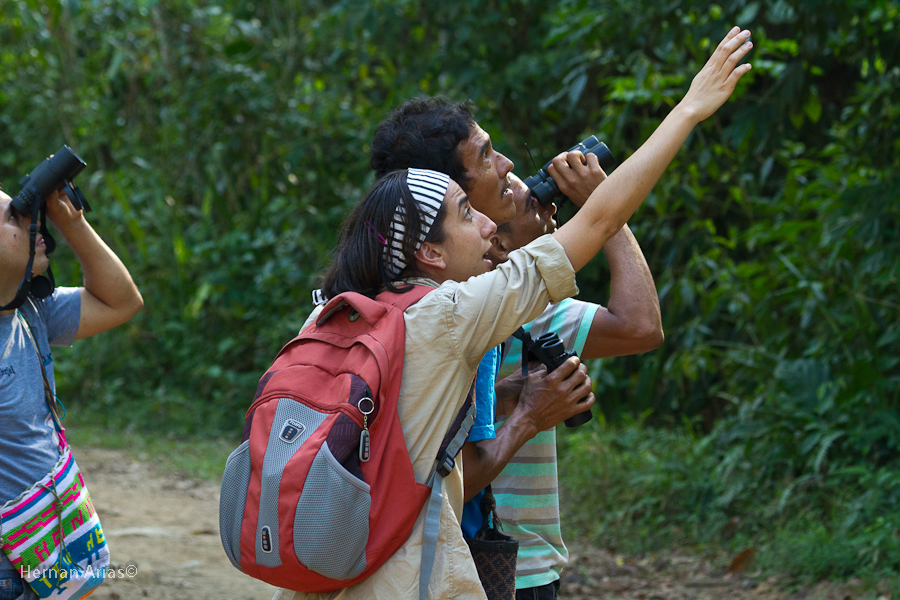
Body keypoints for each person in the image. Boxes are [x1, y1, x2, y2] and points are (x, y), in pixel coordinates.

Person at [274, 25, 753, 600]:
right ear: (430, 246)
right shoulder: (451, 313)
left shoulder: (335, 311)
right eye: (466, 212)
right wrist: (688, 109)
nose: (489, 223)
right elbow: (596, 224)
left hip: (335, 568)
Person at [0, 186, 143, 599]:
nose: (32, 221)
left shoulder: (31, 310)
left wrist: (71, 221)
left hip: (47, 532)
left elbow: (122, 302)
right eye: (14, 218)